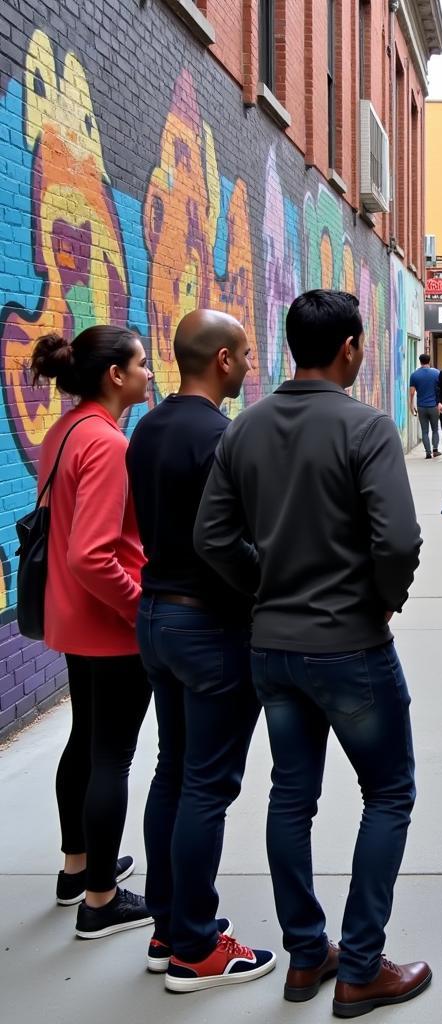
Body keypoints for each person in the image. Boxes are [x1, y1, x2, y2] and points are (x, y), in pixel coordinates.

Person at [195, 290, 429, 1016]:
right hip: (351, 646)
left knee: (291, 797)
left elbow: (210, 537)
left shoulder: (244, 427)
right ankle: (360, 967)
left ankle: (306, 956)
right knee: (388, 793)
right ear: (351, 347)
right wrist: (382, 599)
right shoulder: (366, 427)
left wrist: (260, 583)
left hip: (273, 648)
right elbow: (396, 541)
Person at [127, 310, 274, 992]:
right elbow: (237, 539)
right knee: (207, 788)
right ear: (220, 359)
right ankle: (195, 946)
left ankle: (167, 925)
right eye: (243, 353)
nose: (249, 363)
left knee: (174, 772)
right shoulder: (224, 436)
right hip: (210, 627)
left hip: (155, 617)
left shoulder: (147, 427)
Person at [30, 325, 154, 938]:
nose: (149, 373)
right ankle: (102, 901)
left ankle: (76, 868)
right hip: (111, 624)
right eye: (141, 363)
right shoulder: (105, 443)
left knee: (86, 740)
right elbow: (93, 554)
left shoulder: (65, 430)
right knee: (112, 755)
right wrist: (140, 612)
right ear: (115, 375)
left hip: (75, 618)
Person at [409, 353, 441, 458]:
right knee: (435, 429)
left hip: (421, 406)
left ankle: (428, 452)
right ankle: (435, 450)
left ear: (420, 361)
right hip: (434, 406)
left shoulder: (414, 375)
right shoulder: (437, 373)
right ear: (429, 361)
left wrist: (411, 404)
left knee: (424, 431)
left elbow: (412, 392)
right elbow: (441, 389)